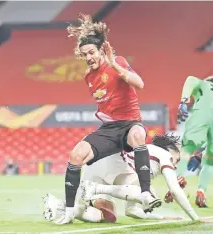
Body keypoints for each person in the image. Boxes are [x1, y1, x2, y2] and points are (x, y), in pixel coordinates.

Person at [56, 14, 156, 224]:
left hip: (130, 124)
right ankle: (69, 210)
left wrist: (114, 64)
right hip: (109, 129)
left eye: (91, 52)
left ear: (101, 50)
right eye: (85, 55)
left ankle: (146, 193)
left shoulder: (118, 62)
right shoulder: (89, 77)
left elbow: (140, 84)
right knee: (76, 155)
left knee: (139, 134)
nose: (89, 57)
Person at [43, 135, 185, 223]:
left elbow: (132, 210)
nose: (175, 166)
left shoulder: (148, 160)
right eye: (176, 160)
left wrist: (160, 218)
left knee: (107, 216)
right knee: (148, 194)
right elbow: (136, 206)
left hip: (101, 170)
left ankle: (59, 207)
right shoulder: (147, 158)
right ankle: (70, 203)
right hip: (106, 168)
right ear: (168, 153)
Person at [176, 75, 213, 208]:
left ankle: (177, 179)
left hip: (204, 111)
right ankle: (201, 191)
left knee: (187, 149)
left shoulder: (204, 84)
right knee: (210, 160)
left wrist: (183, 101)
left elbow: (190, 79)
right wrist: (201, 154)